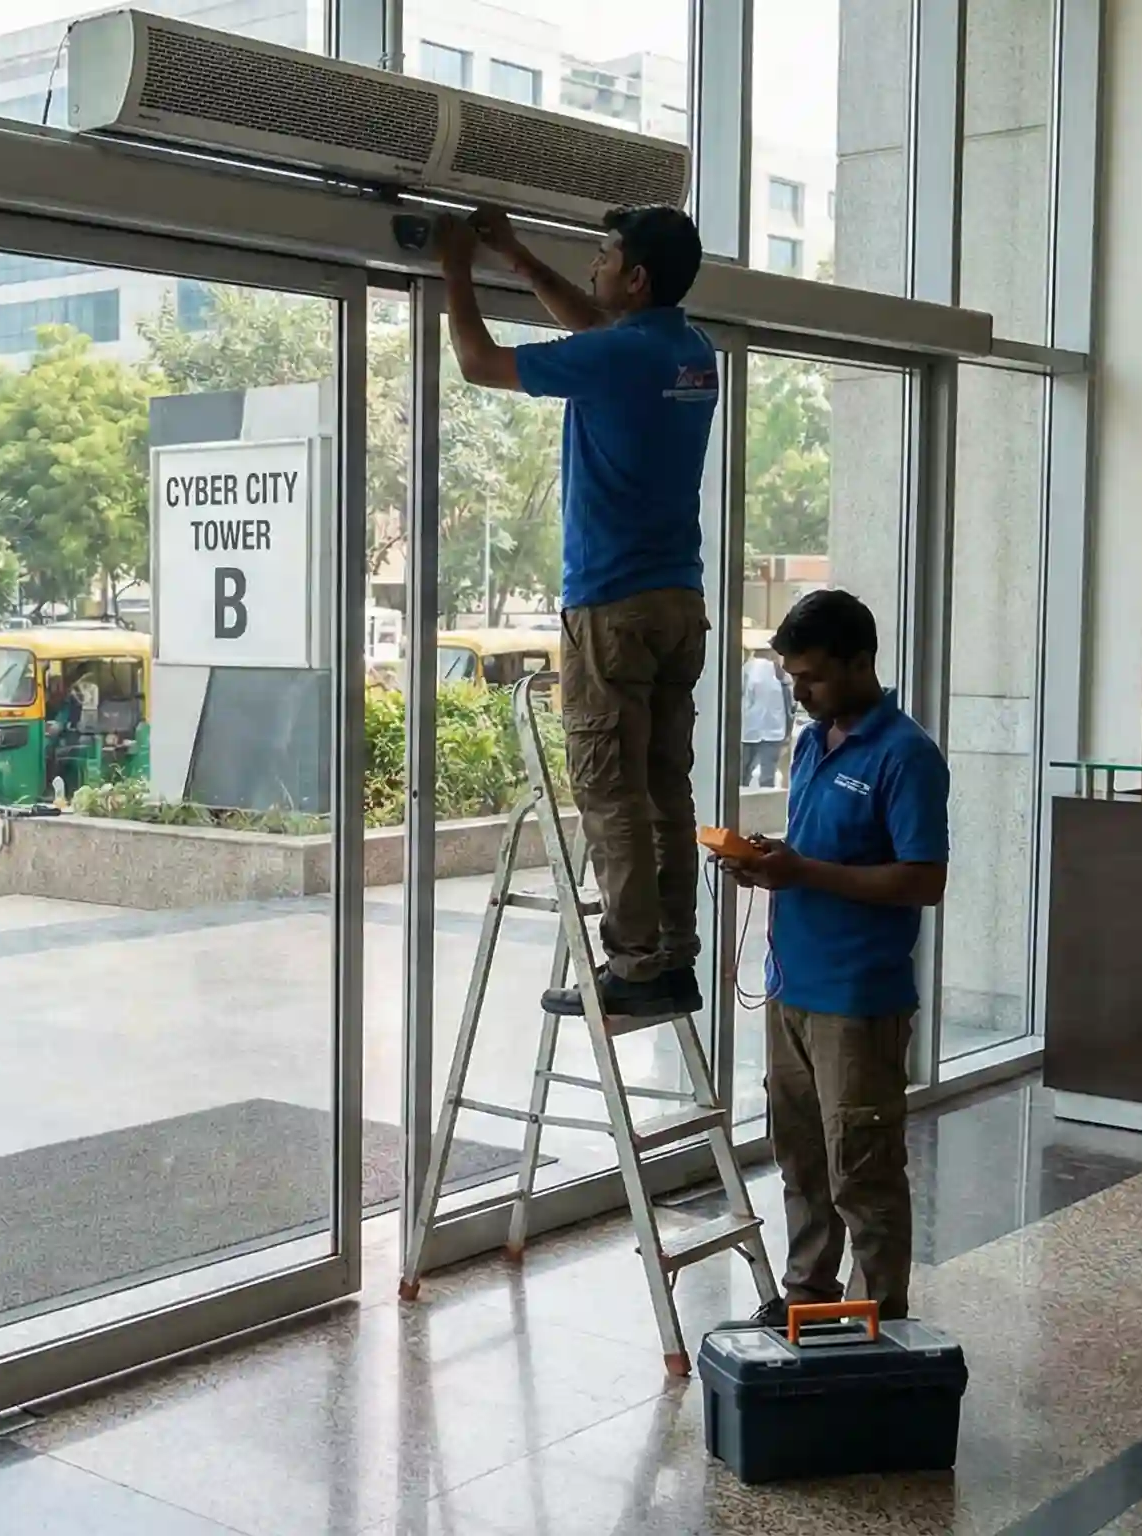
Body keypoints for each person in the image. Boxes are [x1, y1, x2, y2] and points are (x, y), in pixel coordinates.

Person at [435, 202, 720, 1017]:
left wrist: (457, 264)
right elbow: (597, 324)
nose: (593, 266)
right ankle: (673, 956)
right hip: (677, 601)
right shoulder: (687, 349)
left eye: (603, 255)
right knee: (666, 789)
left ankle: (632, 965)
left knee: (609, 791)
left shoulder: (622, 354)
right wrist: (517, 258)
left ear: (634, 276)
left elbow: (478, 361)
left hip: (610, 607)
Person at [711, 590, 948, 1326]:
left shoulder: (907, 756)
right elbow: (812, 855)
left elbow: (923, 879)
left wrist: (803, 872)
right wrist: (766, 864)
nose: (800, 692)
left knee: (864, 1172)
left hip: (858, 1002)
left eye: (812, 677)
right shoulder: (814, 741)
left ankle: (878, 1319)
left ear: (860, 662)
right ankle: (806, 1300)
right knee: (802, 1163)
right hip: (792, 991)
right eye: (792, 680)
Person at [740, 645, 794, 788]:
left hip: (748, 729)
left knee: (742, 774)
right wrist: (788, 731)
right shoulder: (780, 672)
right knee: (767, 776)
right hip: (773, 729)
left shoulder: (746, 669)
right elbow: (790, 704)